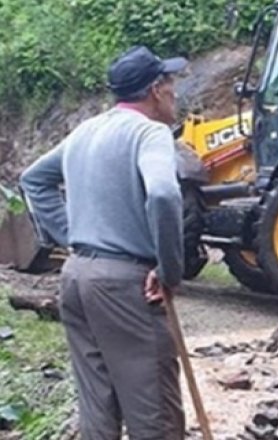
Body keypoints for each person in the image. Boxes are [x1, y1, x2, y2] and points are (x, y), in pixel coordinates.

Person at [19, 45, 188, 439]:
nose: (176, 92)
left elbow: (33, 180)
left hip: (77, 277)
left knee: (99, 406)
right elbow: (164, 194)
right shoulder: (150, 132)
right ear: (155, 90)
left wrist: (73, 238)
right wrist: (168, 269)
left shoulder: (85, 131)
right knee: (155, 415)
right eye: (171, 83)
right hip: (124, 286)